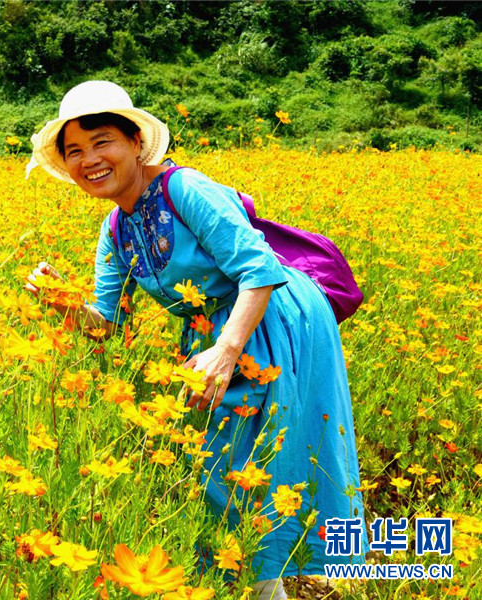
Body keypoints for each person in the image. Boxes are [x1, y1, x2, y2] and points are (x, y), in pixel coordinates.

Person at [24, 81, 367, 600]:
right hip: (210, 332)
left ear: (136, 143)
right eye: (74, 151)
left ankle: (270, 582)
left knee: (271, 452)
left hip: (272, 311)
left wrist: (227, 352)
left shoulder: (185, 190)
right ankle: (253, 582)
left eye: (102, 141)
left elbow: (259, 269)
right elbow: (109, 324)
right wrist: (68, 306)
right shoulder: (115, 229)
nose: (89, 159)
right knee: (217, 461)